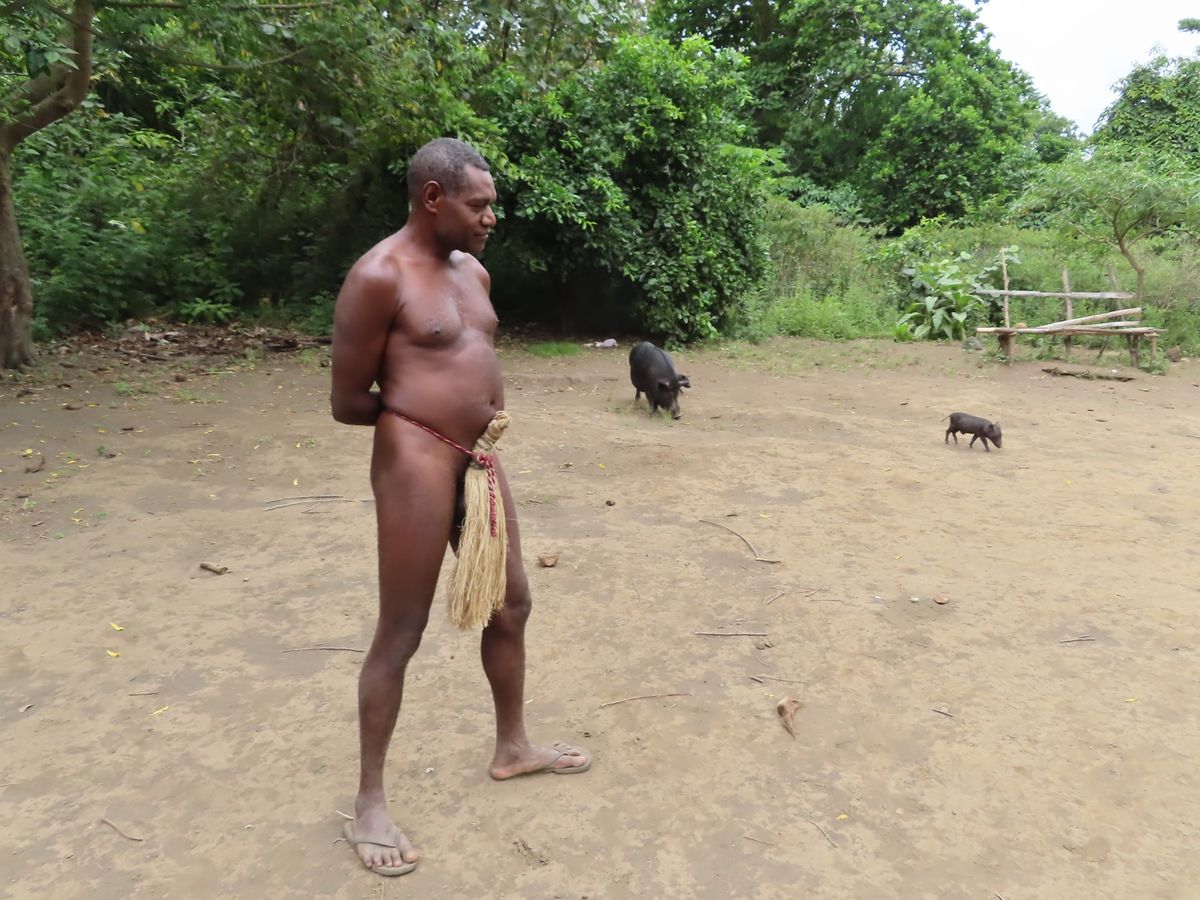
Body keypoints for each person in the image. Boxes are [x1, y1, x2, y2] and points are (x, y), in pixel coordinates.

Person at [329, 138, 591, 878]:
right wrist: (423, 429)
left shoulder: (473, 271)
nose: (491, 218)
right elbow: (349, 401)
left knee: (511, 606)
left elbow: (470, 354)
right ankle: (371, 800)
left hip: (480, 461)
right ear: (433, 198)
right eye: (479, 205)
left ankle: (513, 747)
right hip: (415, 458)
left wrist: (470, 431)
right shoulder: (378, 277)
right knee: (401, 631)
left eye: (493, 205)